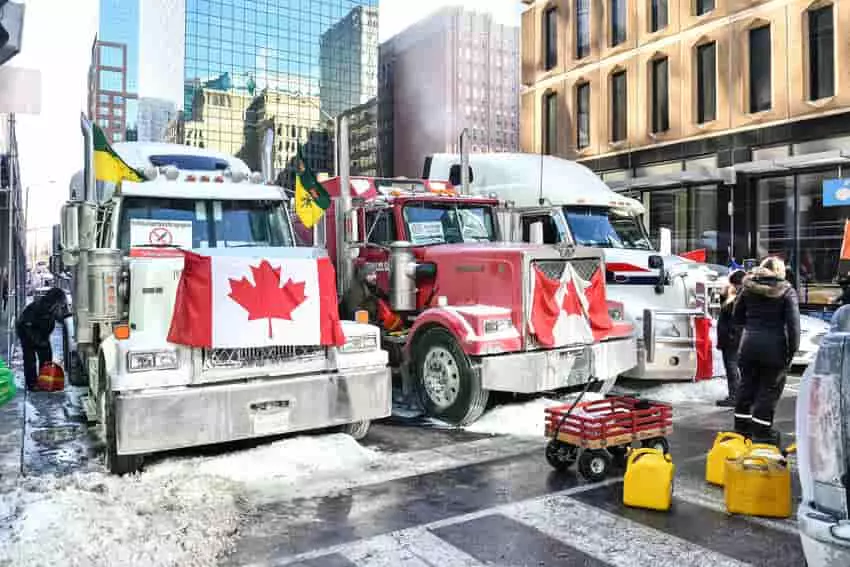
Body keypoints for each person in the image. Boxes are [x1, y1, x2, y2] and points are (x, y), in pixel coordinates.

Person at [732, 257, 800, 445]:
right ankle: (761, 433)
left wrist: (749, 331)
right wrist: (791, 352)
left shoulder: (747, 287)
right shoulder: (787, 291)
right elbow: (793, 326)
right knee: (768, 391)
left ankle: (741, 429)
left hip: (749, 345)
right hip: (775, 348)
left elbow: (736, 316)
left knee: (746, 386)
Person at [15, 288, 69, 391]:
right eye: (61, 302)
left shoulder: (53, 308)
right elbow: (27, 326)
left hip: (42, 333)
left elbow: (61, 317)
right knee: (30, 359)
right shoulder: (39, 307)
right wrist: (38, 341)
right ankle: (32, 384)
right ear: (55, 300)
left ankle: (45, 379)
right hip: (26, 331)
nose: (62, 305)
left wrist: (67, 317)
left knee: (47, 357)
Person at [716, 269, 745, 407]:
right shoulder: (741, 295)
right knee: (735, 368)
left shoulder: (737, 297)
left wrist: (731, 334)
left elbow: (729, 314)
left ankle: (735, 396)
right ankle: (737, 395)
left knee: (732, 367)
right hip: (734, 337)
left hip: (732, 338)